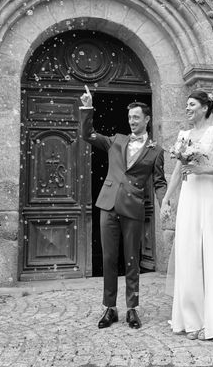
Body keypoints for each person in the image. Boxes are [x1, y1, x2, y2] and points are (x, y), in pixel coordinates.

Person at [79, 87, 167, 330]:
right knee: (108, 258)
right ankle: (110, 308)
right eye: (130, 118)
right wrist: (87, 108)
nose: (132, 121)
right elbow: (87, 134)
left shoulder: (156, 150)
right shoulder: (115, 140)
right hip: (108, 204)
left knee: (131, 260)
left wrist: (165, 203)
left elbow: (159, 182)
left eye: (136, 117)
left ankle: (132, 308)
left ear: (147, 119)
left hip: (133, 208)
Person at [160, 90, 213, 341]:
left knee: (210, 255)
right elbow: (177, 172)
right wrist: (167, 198)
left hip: (208, 198)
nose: (187, 108)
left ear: (205, 108)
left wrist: (205, 169)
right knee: (188, 256)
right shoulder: (183, 136)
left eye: (191, 104)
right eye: (186, 105)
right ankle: (192, 319)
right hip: (188, 199)